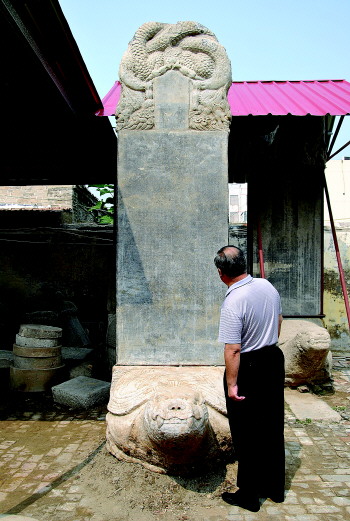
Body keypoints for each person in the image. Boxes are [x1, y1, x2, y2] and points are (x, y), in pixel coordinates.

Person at [214, 245, 285, 513]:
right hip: (272, 359)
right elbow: (278, 320)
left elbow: (233, 349)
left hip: (250, 367)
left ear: (221, 273)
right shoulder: (267, 286)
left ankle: (249, 495)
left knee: (247, 432)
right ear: (244, 264)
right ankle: (274, 488)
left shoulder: (233, 301)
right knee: (271, 426)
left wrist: (233, 384)